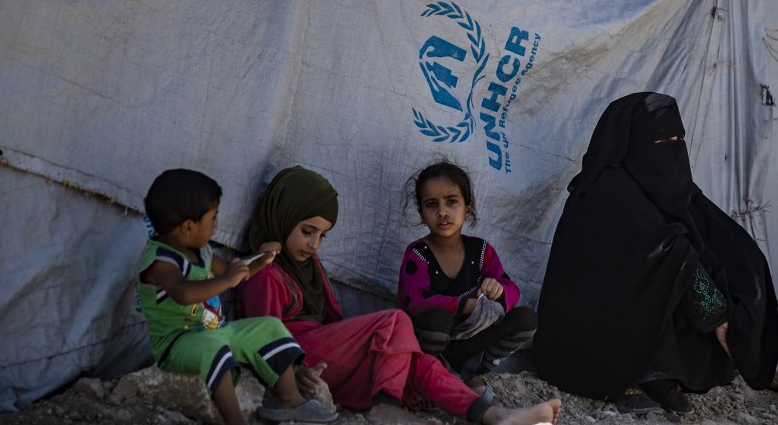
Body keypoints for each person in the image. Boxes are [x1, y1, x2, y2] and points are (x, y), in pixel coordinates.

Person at [236, 166, 561, 425]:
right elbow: (261, 335)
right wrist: (291, 375)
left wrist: (499, 293)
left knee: (420, 365)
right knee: (396, 321)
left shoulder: (309, 265)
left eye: (322, 235)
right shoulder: (264, 271)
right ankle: (385, 409)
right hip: (296, 361)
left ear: (469, 207)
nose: (315, 244)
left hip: (324, 359)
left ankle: (495, 415)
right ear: (281, 216)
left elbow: (335, 324)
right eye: (308, 232)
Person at [533, 92, 778, 415]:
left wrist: (744, 282)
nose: (672, 148)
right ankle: (649, 373)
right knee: (673, 263)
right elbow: (670, 251)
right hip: (584, 340)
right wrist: (718, 317)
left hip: (628, 318)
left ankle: (662, 371)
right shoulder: (606, 192)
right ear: (633, 143)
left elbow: (713, 232)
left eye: (678, 138)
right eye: (661, 141)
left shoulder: (662, 186)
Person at [137, 168, 338, 425]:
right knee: (213, 348)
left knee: (269, 326)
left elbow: (239, 270)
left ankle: (289, 400)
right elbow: (183, 293)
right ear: (188, 227)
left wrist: (261, 259)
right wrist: (225, 280)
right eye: (213, 218)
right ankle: (235, 420)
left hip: (213, 332)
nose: (217, 225)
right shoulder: (161, 262)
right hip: (177, 343)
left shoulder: (202, 253)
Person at [397, 161, 537, 398]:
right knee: (438, 320)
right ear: (421, 213)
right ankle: (436, 375)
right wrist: (464, 305)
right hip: (434, 343)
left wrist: (498, 290)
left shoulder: (482, 251)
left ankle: (471, 373)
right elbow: (416, 301)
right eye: (432, 204)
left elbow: (510, 288)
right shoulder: (417, 254)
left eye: (452, 201)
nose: (442, 211)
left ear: (468, 208)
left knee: (526, 319)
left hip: (471, 344)